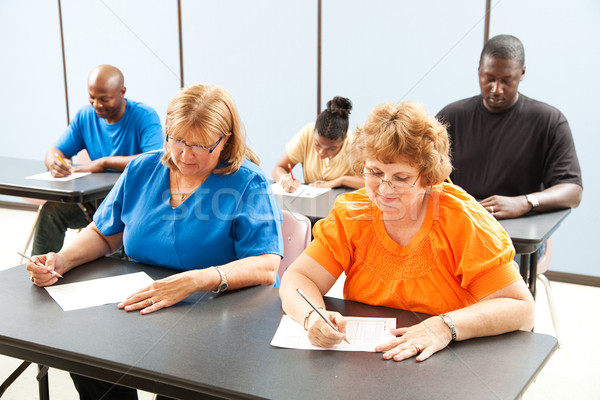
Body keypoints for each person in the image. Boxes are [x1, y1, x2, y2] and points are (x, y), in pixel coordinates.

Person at [27, 83, 284, 400]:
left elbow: (266, 266)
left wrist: (195, 280)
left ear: (225, 140)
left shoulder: (248, 182)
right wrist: (62, 260)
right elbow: (102, 233)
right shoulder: (142, 169)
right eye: (178, 140)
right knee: (88, 361)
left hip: (218, 317)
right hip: (146, 309)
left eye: (201, 146)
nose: (185, 155)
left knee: (180, 383)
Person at [280, 101, 535, 362]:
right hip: (370, 363)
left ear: (427, 177)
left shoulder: (460, 220)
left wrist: (445, 326)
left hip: (450, 359)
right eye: (375, 172)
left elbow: (521, 309)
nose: (384, 188)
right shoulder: (353, 213)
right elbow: (298, 278)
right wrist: (312, 316)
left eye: (401, 178)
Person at [436, 34, 582, 220]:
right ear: (479, 70)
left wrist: (525, 202)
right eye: (489, 78)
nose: (496, 89)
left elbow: (573, 192)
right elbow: (424, 179)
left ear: (522, 73)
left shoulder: (550, 121)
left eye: (506, 80)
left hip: (520, 235)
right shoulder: (450, 117)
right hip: (461, 226)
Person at [31, 64, 164, 256]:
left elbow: (154, 158)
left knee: (118, 239)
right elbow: (55, 150)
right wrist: (54, 161)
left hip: (133, 203)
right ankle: (39, 268)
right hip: (96, 203)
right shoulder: (86, 116)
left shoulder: (144, 116)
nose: (97, 105)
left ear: (122, 92)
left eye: (104, 99)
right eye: (92, 98)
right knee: (51, 211)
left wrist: (104, 163)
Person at [272, 96, 363, 193]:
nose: (321, 152)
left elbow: (368, 182)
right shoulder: (307, 133)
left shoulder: (354, 144)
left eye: (331, 149)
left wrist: (339, 181)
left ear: (344, 139)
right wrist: (285, 179)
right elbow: (279, 168)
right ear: (314, 131)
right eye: (317, 144)